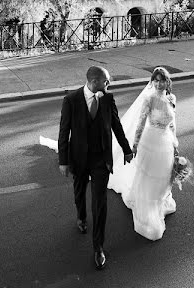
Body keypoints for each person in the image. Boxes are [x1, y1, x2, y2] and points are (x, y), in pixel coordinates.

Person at [58, 65, 133, 271]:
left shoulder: (108, 99)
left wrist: (127, 149)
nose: (108, 84)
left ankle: (98, 247)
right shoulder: (71, 101)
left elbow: (116, 125)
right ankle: (81, 216)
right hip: (79, 159)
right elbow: (64, 132)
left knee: (100, 203)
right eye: (105, 81)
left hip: (101, 160)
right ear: (93, 81)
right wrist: (63, 161)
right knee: (79, 193)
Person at [109, 67, 180, 240]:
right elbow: (141, 123)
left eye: (161, 80)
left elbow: (173, 123)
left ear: (167, 82)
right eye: (155, 80)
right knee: (149, 176)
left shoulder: (172, 98)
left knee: (163, 176)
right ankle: (147, 212)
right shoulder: (149, 99)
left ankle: (160, 202)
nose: (158, 83)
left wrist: (175, 143)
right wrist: (134, 146)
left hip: (166, 143)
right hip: (150, 142)